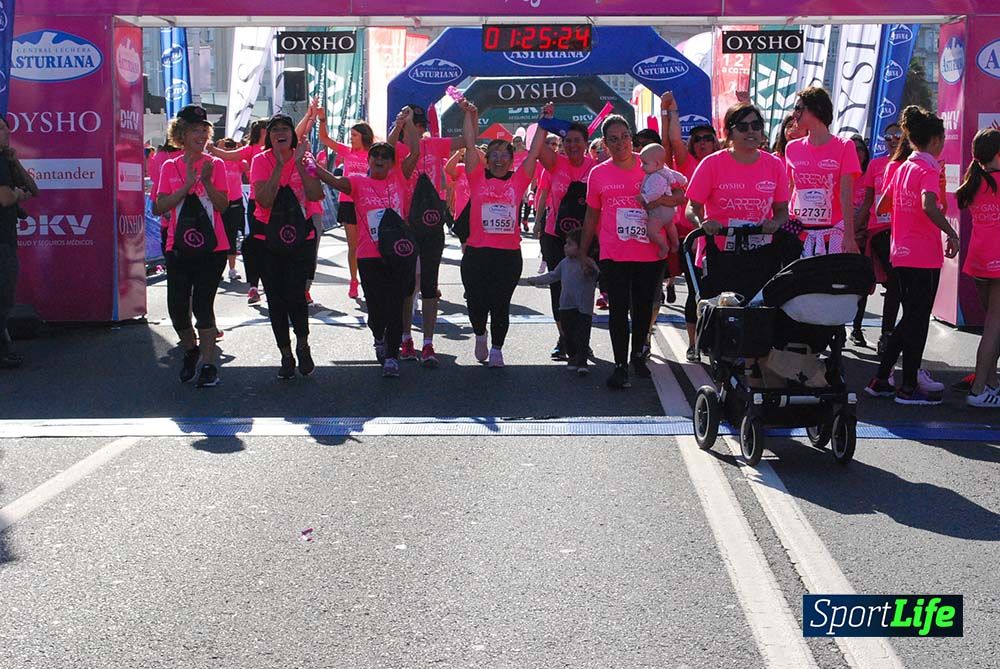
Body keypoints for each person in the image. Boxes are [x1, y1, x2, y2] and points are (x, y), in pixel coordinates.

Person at [314, 110, 421, 377]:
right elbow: (334, 181)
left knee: (396, 304)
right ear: (369, 160)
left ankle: (392, 358)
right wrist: (310, 166)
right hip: (369, 254)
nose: (381, 159)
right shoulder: (358, 182)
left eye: (386, 157)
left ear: (391, 162)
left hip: (397, 253)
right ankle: (378, 337)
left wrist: (404, 124)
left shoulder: (398, 177)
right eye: (376, 156)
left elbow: (415, 153)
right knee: (375, 307)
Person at [865, 106, 958, 406]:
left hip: (900, 253)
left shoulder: (902, 166)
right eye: (942, 138)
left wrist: (904, 214)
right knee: (916, 322)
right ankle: (906, 387)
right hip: (922, 255)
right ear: (934, 139)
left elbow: (881, 206)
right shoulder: (928, 168)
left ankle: (881, 378)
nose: (943, 143)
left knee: (911, 319)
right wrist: (951, 232)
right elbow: (929, 204)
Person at [581, 114, 676, 388]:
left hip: (649, 249)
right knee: (618, 309)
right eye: (613, 139)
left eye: (624, 136)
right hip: (615, 251)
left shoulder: (651, 166)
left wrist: (660, 204)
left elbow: (677, 195)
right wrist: (584, 251)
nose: (620, 143)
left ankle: (638, 355)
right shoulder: (598, 173)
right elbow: (591, 216)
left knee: (644, 307)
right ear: (605, 143)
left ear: (631, 138)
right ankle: (620, 364)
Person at [459, 100, 542, 368]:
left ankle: (497, 348)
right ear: (487, 158)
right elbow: (470, 145)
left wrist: (545, 121)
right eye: (493, 153)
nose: (498, 157)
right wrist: (470, 115)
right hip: (477, 252)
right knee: (476, 303)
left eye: (503, 153)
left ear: (510, 158)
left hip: (507, 255)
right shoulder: (476, 177)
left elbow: (534, 153)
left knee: (500, 303)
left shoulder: (519, 180)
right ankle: (480, 333)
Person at [152, 105, 230, 388]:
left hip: (213, 247)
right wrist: (186, 185)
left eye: (204, 131)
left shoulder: (216, 164)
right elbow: (159, 207)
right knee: (177, 307)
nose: (200, 135)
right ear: (181, 135)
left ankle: (209, 364)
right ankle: (190, 349)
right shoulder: (168, 166)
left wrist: (206, 182)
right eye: (194, 131)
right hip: (178, 247)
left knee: (202, 305)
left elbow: (223, 205)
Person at [684, 102, 789, 308]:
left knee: (756, 316)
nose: (751, 131)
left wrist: (775, 222)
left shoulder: (774, 165)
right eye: (743, 127)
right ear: (729, 132)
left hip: (760, 253)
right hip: (720, 254)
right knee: (718, 317)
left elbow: (782, 211)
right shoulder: (712, 164)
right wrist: (703, 223)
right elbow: (692, 207)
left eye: (756, 125)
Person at [249, 114, 325, 379]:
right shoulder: (260, 160)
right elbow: (264, 201)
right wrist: (280, 166)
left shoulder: (305, 156)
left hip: (299, 238)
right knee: (276, 300)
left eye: (285, 129)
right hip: (267, 240)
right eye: (274, 130)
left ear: (292, 133)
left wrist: (301, 165)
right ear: (268, 136)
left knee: (295, 295)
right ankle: (285, 353)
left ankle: (303, 345)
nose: (279, 133)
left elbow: (315, 195)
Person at [388, 104, 464, 366]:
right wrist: (400, 124)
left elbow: (467, 140)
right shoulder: (398, 150)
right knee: (408, 285)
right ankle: (406, 337)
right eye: (409, 126)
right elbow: (389, 154)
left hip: (431, 224)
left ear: (422, 128)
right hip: (406, 224)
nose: (414, 131)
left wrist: (470, 115)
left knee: (430, 285)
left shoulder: (435, 146)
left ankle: (429, 343)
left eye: (416, 126)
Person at [535, 104, 598, 362]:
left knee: (583, 289)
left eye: (577, 141)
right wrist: (544, 121)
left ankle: (582, 339)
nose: (572, 145)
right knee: (558, 288)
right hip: (555, 236)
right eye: (567, 140)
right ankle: (564, 338)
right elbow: (537, 149)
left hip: (584, 238)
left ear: (586, 143)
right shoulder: (555, 163)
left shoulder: (595, 168)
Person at [662, 94, 722, 360]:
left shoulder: (725, 162)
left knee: (720, 292)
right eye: (696, 139)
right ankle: (693, 343)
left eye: (707, 138)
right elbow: (674, 141)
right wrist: (672, 111)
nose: (702, 143)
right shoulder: (687, 164)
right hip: (691, 237)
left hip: (722, 238)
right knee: (697, 291)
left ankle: (720, 342)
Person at [785, 87, 862, 256]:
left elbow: (846, 194)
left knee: (829, 282)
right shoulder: (791, 147)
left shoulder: (844, 146)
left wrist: (849, 236)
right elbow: (789, 189)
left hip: (832, 233)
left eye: (799, 108)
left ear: (816, 110)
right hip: (798, 233)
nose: (794, 114)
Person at [956, 128, 1000, 407]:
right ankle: (979, 390)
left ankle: (991, 383)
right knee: (994, 325)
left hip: (978, 260)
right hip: (996, 260)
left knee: (994, 324)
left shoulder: (973, 181)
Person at [210, 119, 268, 304]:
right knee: (255, 243)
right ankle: (253, 286)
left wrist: (311, 117)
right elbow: (227, 156)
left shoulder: (277, 148)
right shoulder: (250, 150)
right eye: (271, 128)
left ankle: (273, 281)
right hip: (255, 203)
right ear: (262, 131)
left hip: (277, 203)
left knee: (273, 244)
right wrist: (210, 147)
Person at [525, 228, 598, 375]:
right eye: (566, 243)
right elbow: (553, 276)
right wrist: (536, 281)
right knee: (568, 332)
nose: (565, 247)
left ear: (582, 247)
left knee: (582, 334)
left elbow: (598, 275)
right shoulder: (564, 263)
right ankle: (572, 356)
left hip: (584, 306)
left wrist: (592, 271)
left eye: (570, 244)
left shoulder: (589, 263)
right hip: (566, 305)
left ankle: (582, 360)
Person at [862, 123, 904, 356]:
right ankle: (887, 335)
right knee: (893, 281)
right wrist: (853, 229)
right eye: (888, 136)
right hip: (880, 230)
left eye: (898, 135)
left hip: (904, 231)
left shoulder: (909, 164)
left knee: (897, 284)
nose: (892, 139)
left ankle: (892, 335)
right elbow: (868, 201)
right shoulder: (876, 164)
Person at [0, 117, 39, 369]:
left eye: (6, 127)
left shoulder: (6, 160)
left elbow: (33, 189)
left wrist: (14, 160)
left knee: (5, 298)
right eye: (0, 128)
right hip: (1, 243)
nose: (6, 132)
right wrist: (18, 195)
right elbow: (5, 197)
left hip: (6, 238)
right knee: (3, 299)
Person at [638, 142, 687, 258]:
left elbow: (656, 193)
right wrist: (684, 181)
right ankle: (675, 242)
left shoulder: (656, 177)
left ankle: (663, 246)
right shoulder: (666, 170)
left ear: (656, 164)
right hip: (669, 210)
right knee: (669, 225)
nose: (641, 166)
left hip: (660, 211)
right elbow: (679, 177)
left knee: (651, 231)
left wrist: (644, 198)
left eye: (644, 163)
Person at [848, 134, 873, 346]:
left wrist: (861, 231)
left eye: (861, 149)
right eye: (853, 149)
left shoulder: (870, 175)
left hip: (865, 237)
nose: (858, 153)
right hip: (844, 237)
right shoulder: (842, 175)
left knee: (863, 286)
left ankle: (856, 328)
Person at [217, 137, 246, 282]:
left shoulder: (238, 161)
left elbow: (247, 168)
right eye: (226, 146)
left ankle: (232, 268)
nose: (228, 148)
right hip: (220, 203)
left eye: (230, 146)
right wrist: (219, 149)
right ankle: (218, 269)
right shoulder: (216, 161)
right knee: (218, 236)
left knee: (232, 235)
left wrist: (240, 150)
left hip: (235, 202)